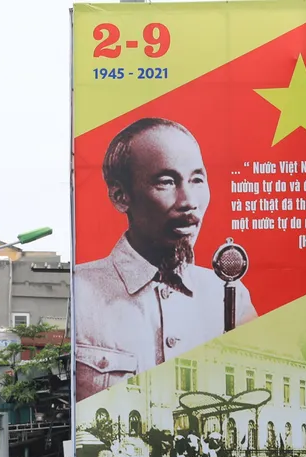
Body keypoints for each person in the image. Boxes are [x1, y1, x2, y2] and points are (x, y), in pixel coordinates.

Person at [74, 118, 258, 400]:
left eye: (197, 180)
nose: (188, 201)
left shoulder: (230, 296)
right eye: (167, 182)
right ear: (120, 196)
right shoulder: (78, 293)